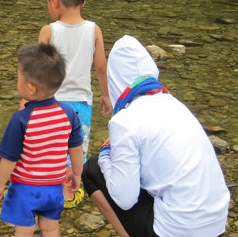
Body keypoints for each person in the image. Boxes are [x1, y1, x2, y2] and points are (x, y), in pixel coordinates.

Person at [81, 35, 230, 237]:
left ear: (115, 80)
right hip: (216, 223)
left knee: (92, 168)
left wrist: (107, 153)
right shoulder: (176, 105)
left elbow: (124, 199)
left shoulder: (125, 120)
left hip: (177, 230)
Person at [30, 0, 112, 209]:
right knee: (76, 149)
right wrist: (105, 94)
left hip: (51, 102)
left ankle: (45, 188)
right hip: (81, 103)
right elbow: (101, 67)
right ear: (83, 2)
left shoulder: (49, 31)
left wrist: (29, 100)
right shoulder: (94, 30)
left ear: (54, 2)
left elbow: (37, 71)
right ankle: (70, 193)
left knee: (49, 146)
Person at [0, 43, 84, 237]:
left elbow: (10, 158)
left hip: (26, 188)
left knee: (25, 229)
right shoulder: (68, 114)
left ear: (31, 88)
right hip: (54, 187)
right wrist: (76, 174)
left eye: (19, 78)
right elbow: (76, 149)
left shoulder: (21, 119)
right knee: (50, 228)